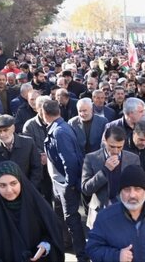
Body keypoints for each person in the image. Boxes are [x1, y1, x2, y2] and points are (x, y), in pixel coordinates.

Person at [86, 164, 145, 262]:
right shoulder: (104, 218)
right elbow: (92, 249)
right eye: (127, 189)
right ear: (120, 193)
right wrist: (116, 256)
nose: (132, 195)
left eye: (137, 189)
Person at [0, 161, 64, 262]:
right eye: (2, 185)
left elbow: (53, 232)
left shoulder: (36, 205)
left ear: (21, 182)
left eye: (13, 183)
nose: (9, 190)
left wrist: (45, 245)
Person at [42, 99, 88, 262]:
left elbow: (69, 161)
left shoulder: (60, 131)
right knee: (61, 218)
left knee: (72, 221)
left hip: (64, 185)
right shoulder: (59, 127)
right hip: (58, 184)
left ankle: (82, 255)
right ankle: (66, 246)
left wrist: (69, 184)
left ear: (44, 113)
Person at [81, 126, 140, 228]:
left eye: (120, 147)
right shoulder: (91, 158)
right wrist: (104, 171)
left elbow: (138, 187)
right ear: (105, 140)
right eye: (112, 146)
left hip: (125, 212)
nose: (116, 151)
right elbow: (86, 189)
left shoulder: (133, 159)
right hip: (100, 212)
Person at [0, 114, 42, 188]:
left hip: (28, 189)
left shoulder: (28, 143)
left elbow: (37, 168)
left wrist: (30, 188)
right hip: (5, 193)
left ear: (13, 128)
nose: (2, 134)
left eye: (5, 130)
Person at [23, 95, 53, 204]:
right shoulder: (29, 125)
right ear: (37, 109)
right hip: (39, 167)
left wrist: (49, 155)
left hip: (54, 165)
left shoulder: (55, 122)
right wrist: (41, 154)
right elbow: (28, 145)